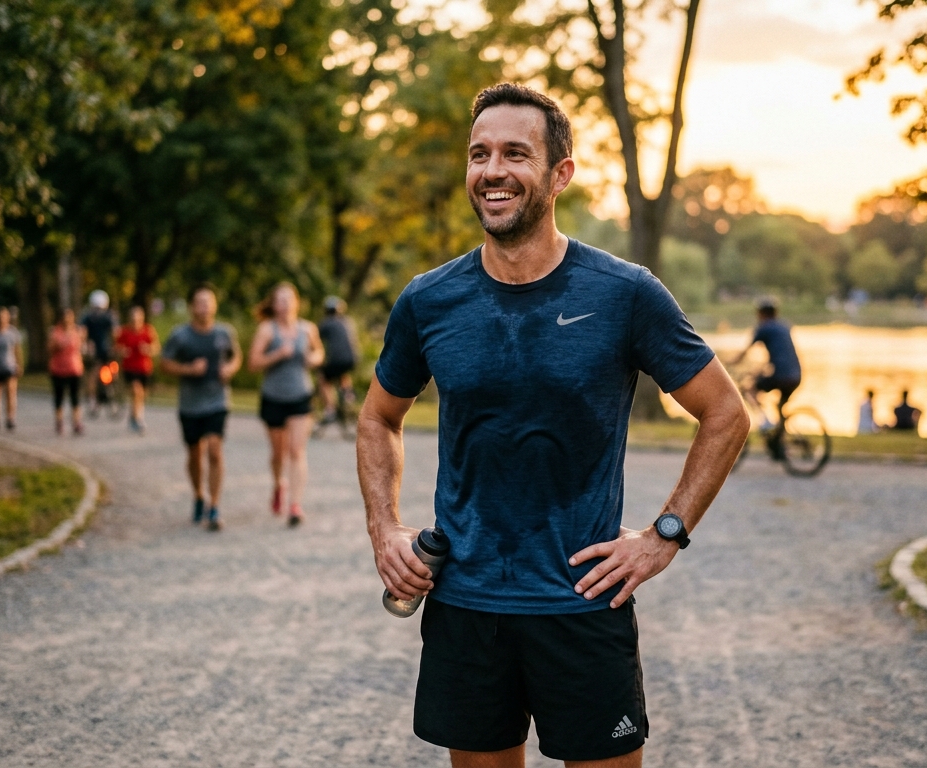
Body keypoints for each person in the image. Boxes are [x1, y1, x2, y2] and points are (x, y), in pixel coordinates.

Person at [358, 84, 748, 768]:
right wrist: (384, 529)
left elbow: (726, 414)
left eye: (515, 152)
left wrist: (665, 535)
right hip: (466, 605)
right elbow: (377, 418)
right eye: (480, 154)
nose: (493, 170)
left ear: (560, 173)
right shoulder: (429, 300)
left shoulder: (624, 294)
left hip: (582, 604)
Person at [161, 284, 242, 531]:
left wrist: (230, 369)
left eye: (208, 302)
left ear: (215, 305)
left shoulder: (224, 332)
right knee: (195, 454)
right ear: (191, 307)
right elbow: (164, 363)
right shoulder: (180, 335)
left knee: (215, 450)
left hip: (217, 400)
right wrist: (187, 369)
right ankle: (198, 494)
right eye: (199, 302)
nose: (204, 307)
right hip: (190, 403)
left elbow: (235, 356)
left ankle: (214, 506)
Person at [250, 283, 326, 525]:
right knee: (278, 454)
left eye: (288, 299)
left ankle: (295, 505)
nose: (284, 304)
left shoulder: (307, 329)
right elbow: (253, 363)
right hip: (273, 397)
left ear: (296, 302)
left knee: (296, 450)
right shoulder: (266, 330)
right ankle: (278, 484)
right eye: (279, 300)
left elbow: (319, 353)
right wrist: (276, 355)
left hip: (300, 395)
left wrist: (312, 358)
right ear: (273, 304)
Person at [728, 299, 800, 431]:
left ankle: (765, 421)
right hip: (796, 375)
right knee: (780, 409)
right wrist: (759, 370)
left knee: (750, 389)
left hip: (781, 375)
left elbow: (745, 352)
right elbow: (780, 356)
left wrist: (728, 363)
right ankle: (780, 443)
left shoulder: (764, 328)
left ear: (761, 314)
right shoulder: (784, 326)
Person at [317, 295, 360, 429]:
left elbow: (314, 340)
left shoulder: (326, 323)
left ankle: (330, 409)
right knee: (342, 372)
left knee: (323, 377)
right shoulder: (347, 321)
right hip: (353, 359)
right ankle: (347, 394)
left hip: (336, 359)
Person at [116, 306, 159, 435]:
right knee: (136, 390)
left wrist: (148, 349)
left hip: (144, 368)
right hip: (129, 367)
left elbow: (156, 347)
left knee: (140, 396)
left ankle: (133, 416)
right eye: (133, 319)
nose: (135, 321)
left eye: (138, 318)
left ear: (142, 318)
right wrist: (122, 351)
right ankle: (137, 420)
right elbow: (116, 347)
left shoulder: (148, 330)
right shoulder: (124, 331)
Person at [48, 308, 87, 436]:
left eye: (69, 317)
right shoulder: (55, 332)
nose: (67, 320)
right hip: (58, 369)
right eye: (65, 317)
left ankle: (76, 422)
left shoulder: (78, 331)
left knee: (75, 397)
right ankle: (59, 421)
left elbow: (82, 347)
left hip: (74, 369)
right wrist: (58, 345)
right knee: (59, 397)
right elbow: (49, 349)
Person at [81, 289, 117, 419]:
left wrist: (114, 346)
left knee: (112, 373)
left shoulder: (108, 316)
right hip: (95, 351)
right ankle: (93, 400)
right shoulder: (88, 317)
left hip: (106, 350)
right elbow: (83, 332)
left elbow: (114, 333)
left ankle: (112, 397)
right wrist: (85, 345)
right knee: (94, 374)